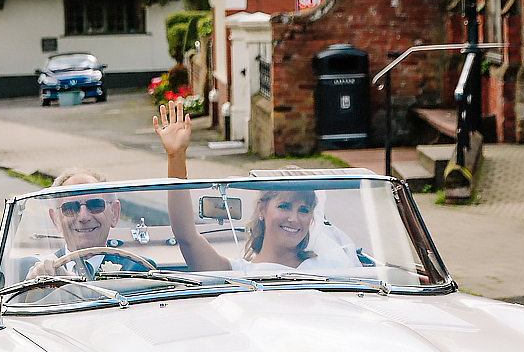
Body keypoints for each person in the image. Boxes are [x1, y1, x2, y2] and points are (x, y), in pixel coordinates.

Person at [154, 99, 322, 273]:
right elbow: (186, 236)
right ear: (261, 209)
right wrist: (176, 157)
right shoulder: (237, 273)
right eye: (284, 206)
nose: (294, 219)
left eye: (304, 210)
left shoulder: (328, 269)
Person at [24, 168, 126, 280]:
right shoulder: (38, 273)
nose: (83, 217)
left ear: (114, 213)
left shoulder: (141, 271)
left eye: (95, 205)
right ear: (56, 219)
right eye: (70, 208)